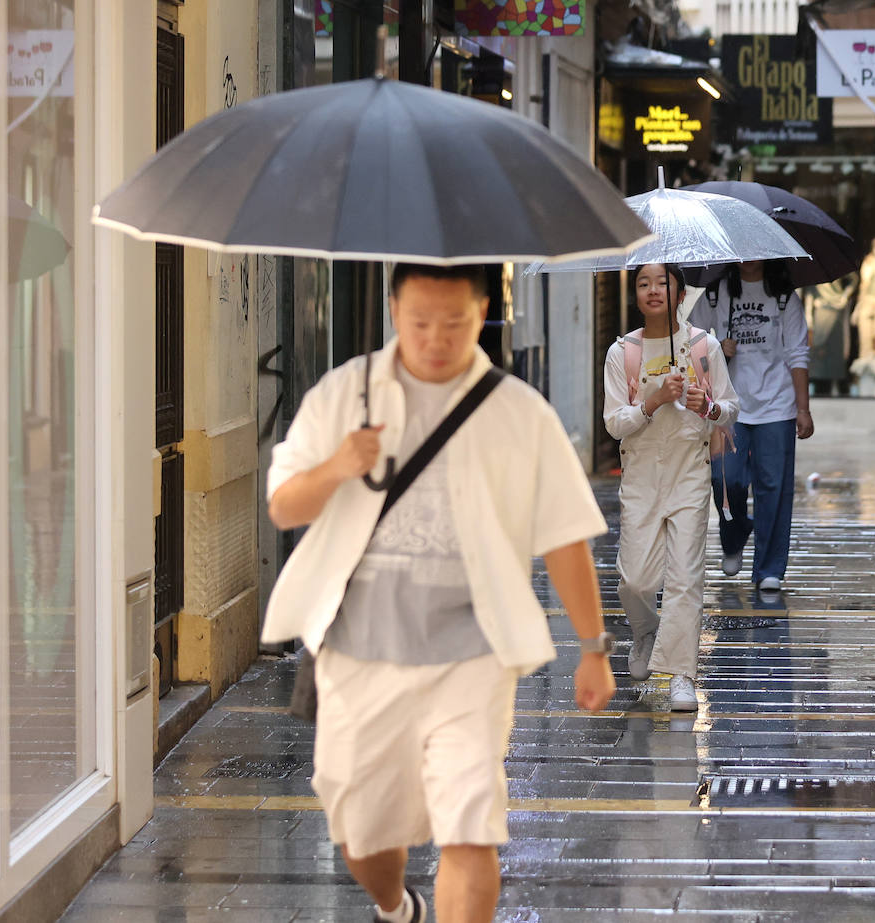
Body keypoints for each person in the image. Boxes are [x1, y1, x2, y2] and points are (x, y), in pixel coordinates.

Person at [261, 263, 616, 923]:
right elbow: (284, 505)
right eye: (420, 321)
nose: (436, 338)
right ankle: (396, 905)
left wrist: (593, 647)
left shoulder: (518, 412)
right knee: (361, 832)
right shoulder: (344, 394)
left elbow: (565, 537)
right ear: (394, 310)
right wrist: (339, 465)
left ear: (482, 312)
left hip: (472, 653)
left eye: (454, 322)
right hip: (359, 653)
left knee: (471, 822)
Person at [603, 263, 738, 711]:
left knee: (685, 578)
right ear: (636, 294)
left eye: (662, 282)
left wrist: (710, 406)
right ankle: (644, 631)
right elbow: (614, 424)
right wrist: (651, 402)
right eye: (644, 283)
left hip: (689, 475)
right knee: (634, 579)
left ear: (679, 293)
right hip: (641, 477)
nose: (653, 290)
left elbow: (731, 409)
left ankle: (682, 674)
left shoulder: (703, 346)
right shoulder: (622, 352)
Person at [689, 259, 813, 591]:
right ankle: (734, 535)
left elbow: (798, 353)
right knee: (724, 477)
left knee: (773, 487)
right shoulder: (715, 294)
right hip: (727, 407)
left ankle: (769, 569)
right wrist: (716, 350)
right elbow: (690, 345)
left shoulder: (785, 297)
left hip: (777, 404)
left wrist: (803, 409)